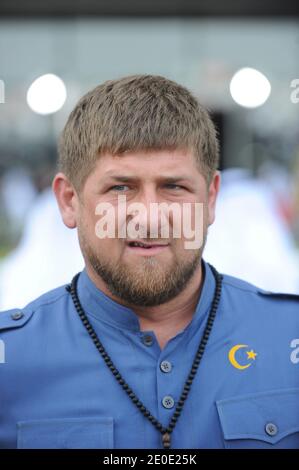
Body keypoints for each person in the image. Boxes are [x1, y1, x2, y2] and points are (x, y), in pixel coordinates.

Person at [1, 74, 299, 450]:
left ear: (211, 199)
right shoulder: (9, 363)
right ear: (68, 200)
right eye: (120, 188)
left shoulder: (290, 337)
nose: (149, 217)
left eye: (174, 187)